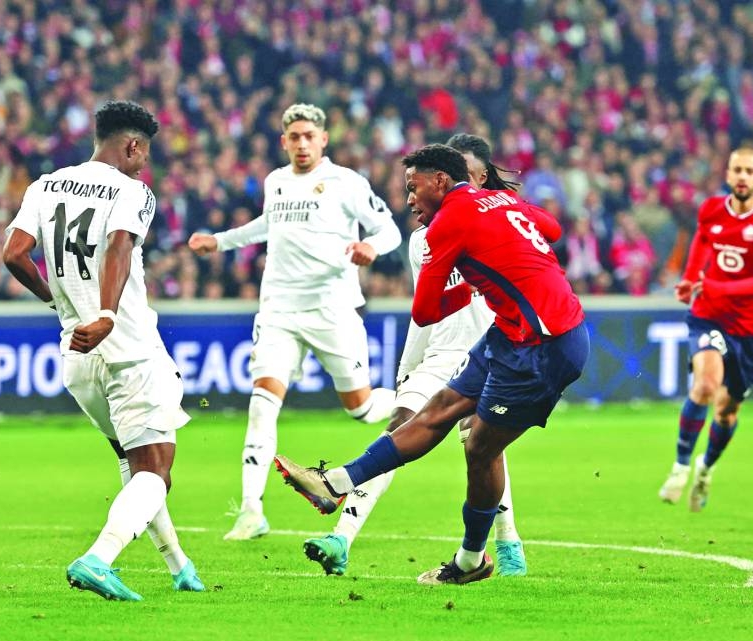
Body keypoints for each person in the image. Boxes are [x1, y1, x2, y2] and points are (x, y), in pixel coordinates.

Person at [274, 144, 588, 585]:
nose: (408, 200)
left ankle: (473, 560)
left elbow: (423, 312)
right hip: (513, 331)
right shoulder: (500, 199)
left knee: (480, 447)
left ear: (440, 181)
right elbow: (551, 227)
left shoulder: (446, 226)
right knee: (439, 410)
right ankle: (335, 484)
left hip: (544, 344)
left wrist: (466, 274)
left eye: (412, 187)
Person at [2, 100, 204, 601]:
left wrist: (57, 300)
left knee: (137, 465)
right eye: (145, 153)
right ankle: (99, 558)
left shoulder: (45, 184)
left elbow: (13, 254)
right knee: (156, 471)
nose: (145, 163)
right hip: (128, 348)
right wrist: (107, 314)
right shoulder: (133, 190)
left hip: (77, 355)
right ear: (132, 145)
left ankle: (179, 565)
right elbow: (118, 245)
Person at [301, 134, 528, 578]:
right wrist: (407, 371)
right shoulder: (422, 239)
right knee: (399, 430)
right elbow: (423, 313)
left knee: (481, 447)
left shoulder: (500, 227)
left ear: (479, 178)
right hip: (440, 356)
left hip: (489, 353)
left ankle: (508, 541)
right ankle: (341, 539)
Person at [187, 103, 401, 540]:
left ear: (323, 140)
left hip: (332, 308)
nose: (302, 143)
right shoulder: (276, 182)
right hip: (279, 309)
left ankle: (410, 403)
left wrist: (372, 249)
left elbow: (390, 229)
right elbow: (269, 225)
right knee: (262, 403)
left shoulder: (347, 182)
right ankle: (251, 510)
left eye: (309, 136)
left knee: (360, 409)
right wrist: (221, 242)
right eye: (294, 137)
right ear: (283, 141)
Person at [658, 146, 753, 512]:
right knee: (704, 384)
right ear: (728, 174)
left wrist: (718, 286)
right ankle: (680, 467)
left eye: (751, 171)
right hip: (710, 314)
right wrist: (690, 280)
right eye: (737, 170)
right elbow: (703, 238)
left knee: (726, 410)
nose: (743, 177)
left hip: (751, 328)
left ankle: (705, 467)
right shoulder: (711, 209)